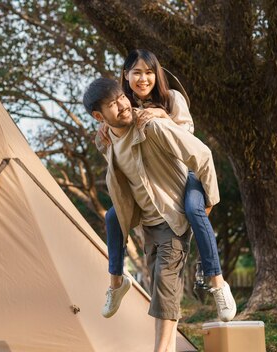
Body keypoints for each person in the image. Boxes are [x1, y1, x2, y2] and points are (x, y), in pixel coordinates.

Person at [83, 77, 227, 352]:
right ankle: (118, 283)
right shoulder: (107, 140)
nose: (122, 105)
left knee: (165, 284)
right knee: (159, 287)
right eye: (112, 104)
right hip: (148, 224)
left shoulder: (152, 126)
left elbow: (203, 155)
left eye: (121, 98)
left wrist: (207, 205)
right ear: (99, 116)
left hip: (172, 218)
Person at [98, 49, 236, 323]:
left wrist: (161, 116)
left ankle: (218, 282)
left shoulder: (171, 98)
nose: (143, 78)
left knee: (194, 210)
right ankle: (116, 280)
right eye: (136, 72)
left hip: (186, 172)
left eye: (149, 72)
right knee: (113, 216)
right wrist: (104, 126)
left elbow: (187, 141)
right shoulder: (126, 104)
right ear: (126, 75)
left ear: (157, 75)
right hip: (155, 179)